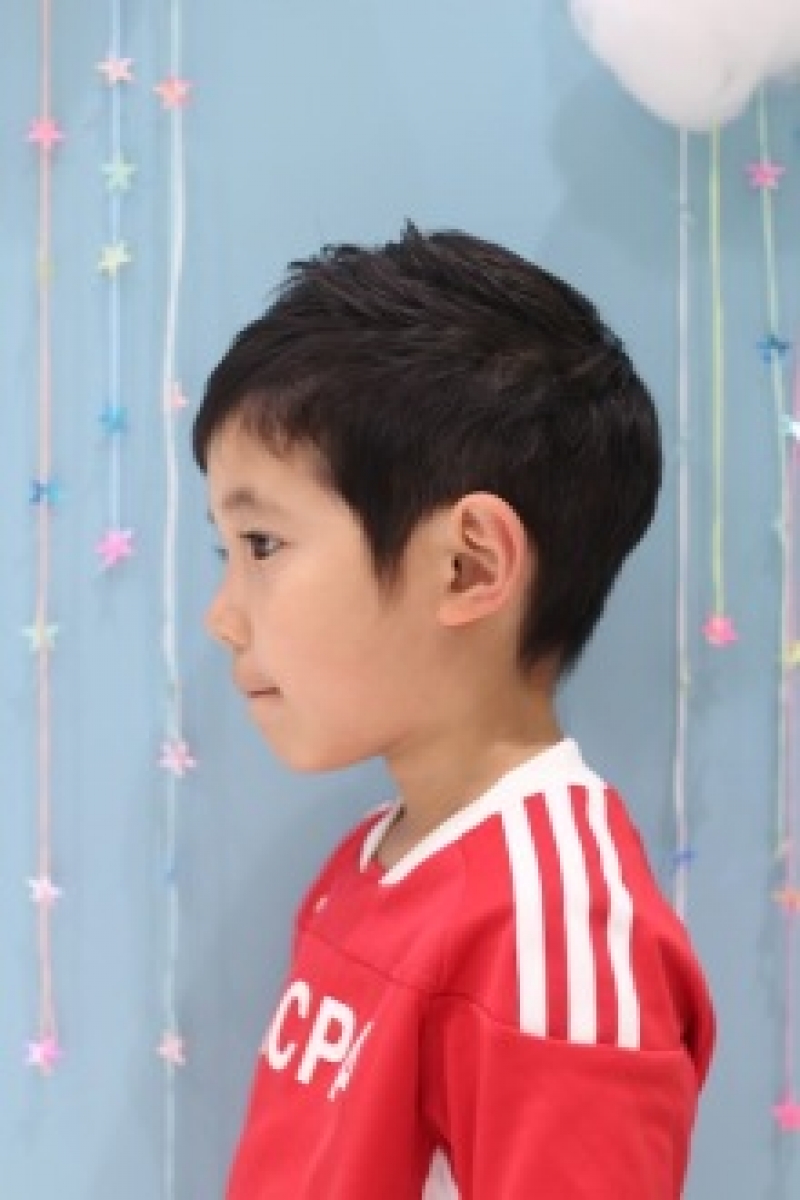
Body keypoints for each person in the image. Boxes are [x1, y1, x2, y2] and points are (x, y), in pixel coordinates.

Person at [194, 223, 715, 1199]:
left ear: (468, 565)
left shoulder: (553, 925)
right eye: (223, 551)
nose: (221, 616)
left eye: (261, 544)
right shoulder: (369, 859)